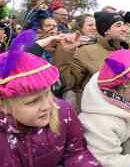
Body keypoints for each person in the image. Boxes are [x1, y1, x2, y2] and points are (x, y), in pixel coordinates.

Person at [0, 30, 101, 166]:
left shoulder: (62, 112)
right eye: (33, 101)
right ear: (3, 105)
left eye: (48, 93)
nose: (47, 105)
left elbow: (76, 153)